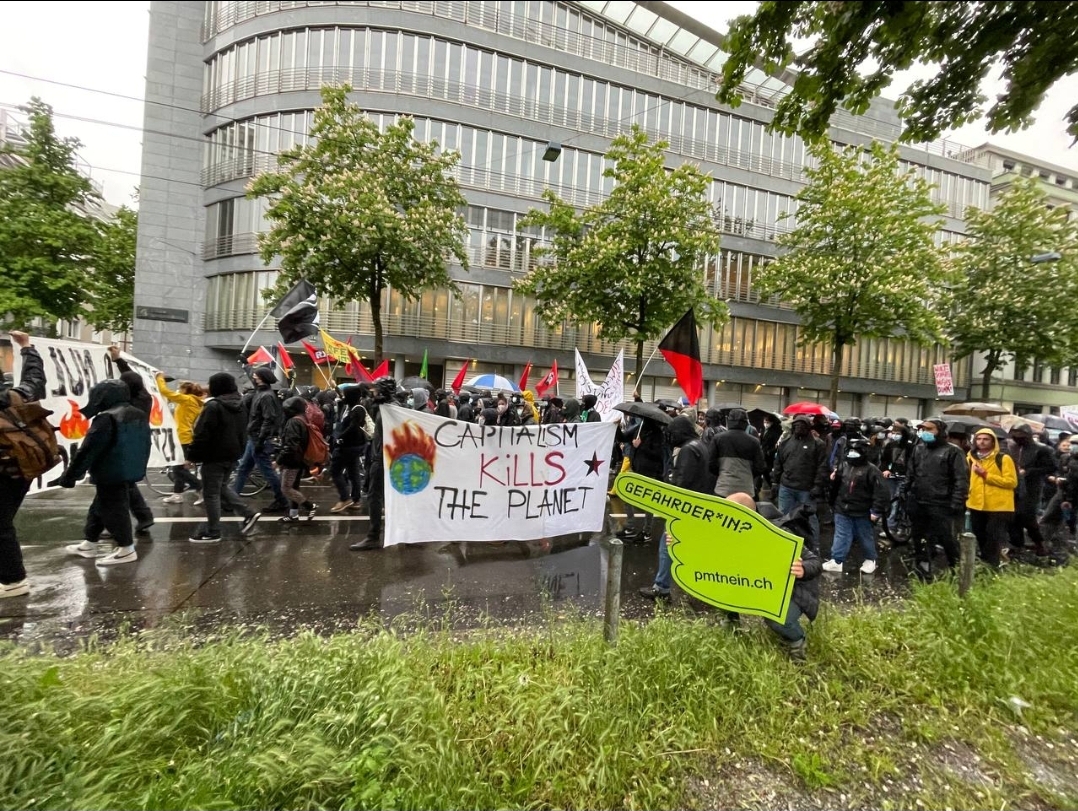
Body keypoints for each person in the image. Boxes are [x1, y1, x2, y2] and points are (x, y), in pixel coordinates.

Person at [62, 379, 152, 566]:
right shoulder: (139, 414)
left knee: (113, 509)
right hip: (128, 469)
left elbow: (88, 450)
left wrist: (71, 475)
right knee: (99, 507)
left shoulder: (106, 418)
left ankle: (126, 549)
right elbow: (145, 445)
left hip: (109, 471)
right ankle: (89, 543)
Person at [727, 492, 822, 661]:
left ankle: (797, 641)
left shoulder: (779, 533)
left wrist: (803, 569)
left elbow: (814, 561)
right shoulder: (727, 531)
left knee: (778, 619)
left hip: (790, 590)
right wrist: (678, 540)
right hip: (753, 583)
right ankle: (732, 629)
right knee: (718, 591)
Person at [639, 415, 717, 600]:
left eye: (672, 433)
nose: (670, 437)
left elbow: (681, 482)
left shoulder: (688, 450)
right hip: (699, 503)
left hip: (685, 508)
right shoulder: (700, 446)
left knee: (667, 545)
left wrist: (669, 477)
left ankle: (662, 588)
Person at [0, 331, 45, 598]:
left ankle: (14, 579)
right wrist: (27, 347)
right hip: (22, 468)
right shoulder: (15, 397)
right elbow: (34, 380)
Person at [900, 418, 969, 579]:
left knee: (947, 539)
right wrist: (904, 489)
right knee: (919, 537)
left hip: (942, 503)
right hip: (919, 500)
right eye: (923, 429)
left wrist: (957, 502)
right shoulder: (919, 449)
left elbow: (961, 479)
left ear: (940, 432)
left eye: (929, 429)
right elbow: (911, 472)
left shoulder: (953, 451)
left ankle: (957, 569)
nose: (925, 432)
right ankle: (922, 566)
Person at [823, 437, 889, 574]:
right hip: (842, 508)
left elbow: (881, 492)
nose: (853, 453)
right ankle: (837, 560)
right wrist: (832, 500)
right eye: (851, 450)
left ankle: (870, 559)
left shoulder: (872, 471)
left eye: (856, 450)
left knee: (864, 536)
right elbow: (836, 487)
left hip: (863, 511)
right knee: (841, 535)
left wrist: (876, 511)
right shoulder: (844, 466)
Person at [351, 376, 397, 551]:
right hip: (381, 456)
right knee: (382, 497)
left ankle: (373, 536)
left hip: (384, 458)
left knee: (374, 496)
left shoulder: (392, 409)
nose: (373, 391)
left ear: (383, 389)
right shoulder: (385, 406)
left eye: (376, 388)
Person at [232, 367, 288, 511]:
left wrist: (261, 440)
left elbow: (269, 419)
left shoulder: (266, 396)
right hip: (254, 437)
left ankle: (281, 500)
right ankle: (232, 498)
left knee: (267, 472)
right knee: (244, 468)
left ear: (262, 378)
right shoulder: (261, 392)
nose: (254, 377)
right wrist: (245, 364)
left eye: (256, 376)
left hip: (258, 438)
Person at [771, 414, 829, 550]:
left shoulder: (818, 444)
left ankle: (814, 546)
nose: (799, 428)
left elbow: (822, 467)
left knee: (810, 518)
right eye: (796, 425)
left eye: (802, 425)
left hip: (807, 489)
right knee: (783, 516)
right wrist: (775, 482)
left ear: (808, 427)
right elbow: (778, 463)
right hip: (787, 487)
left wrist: (817, 486)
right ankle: (782, 542)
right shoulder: (785, 443)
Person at [965, 428, 1018, 570]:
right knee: (980, 534)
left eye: (986, 439)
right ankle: (986, 562)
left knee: (993, 536)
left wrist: (986, 475)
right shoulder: (970, 458)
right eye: (979, 439)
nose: (981, 442)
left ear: (993, 441)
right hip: (976, 504)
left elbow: (1011, 482)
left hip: (999, 506)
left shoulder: (1003, 459)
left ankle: (994, 565)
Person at [1005, 422, 1056, 559]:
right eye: (1015, 435)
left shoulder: (1042, 449)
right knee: (1012, 517)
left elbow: (1051, 467)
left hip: (1031, 487)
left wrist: (1028, 471)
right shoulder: (1011, 447)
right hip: (1014, 486)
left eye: (1020, 435)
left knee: (1027, 517)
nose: (1017, 438)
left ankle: (1039, 543)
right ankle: (1017, 545)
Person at [155, 372, 205, 504]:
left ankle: (200, 487)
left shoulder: (188, 400)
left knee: (178, 468)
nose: (178, 390)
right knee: (178, 468)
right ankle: (177, 494)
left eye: (180, 388)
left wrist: (159, 378)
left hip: (183, 437)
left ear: (185, 390)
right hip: (183, 436)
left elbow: (165, 391)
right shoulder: (190, 401)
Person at [277, 396, 318, 522]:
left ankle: (310, 506)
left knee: (286, 488)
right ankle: (293, 514)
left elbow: (290, 445)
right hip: (301, 459)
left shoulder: (293, 422)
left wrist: (278, 461)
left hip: (292, 461)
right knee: (294, 487)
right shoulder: (303, 419)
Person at [709, 407, 766, 499]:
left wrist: (723, 472)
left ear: (729, 421)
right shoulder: (754, 442)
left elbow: (711, 464)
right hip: (746, 490)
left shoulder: (718, 439)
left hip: (723, 488)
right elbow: (760, 467)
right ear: (746, 423)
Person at [330, 385, 370, 513]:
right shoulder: (349, 407)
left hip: (349, 446)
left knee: (335, 471)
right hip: (352, 445)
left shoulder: (358, 409)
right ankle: (356, 500)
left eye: (345, 394)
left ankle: (345, 498)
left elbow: (353, 427)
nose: (343, 396)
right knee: (353, 472)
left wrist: (339, 438)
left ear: (351, 397)